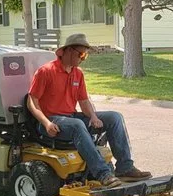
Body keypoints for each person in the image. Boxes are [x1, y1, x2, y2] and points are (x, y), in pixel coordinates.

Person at [27, 33, 153, 187]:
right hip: (50, 121)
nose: (82, 59)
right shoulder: (46, 71)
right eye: (81, 54)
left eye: (85, 55)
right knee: (77, 124)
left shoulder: (77, 74)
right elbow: (31, 102)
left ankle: (125, 168)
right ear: (67, 51)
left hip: (70, 118)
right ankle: (103, 174)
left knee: (114, 117)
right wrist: (46, 123)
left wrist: (93, 116)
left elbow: (84, 101)